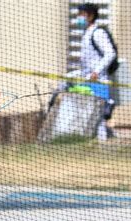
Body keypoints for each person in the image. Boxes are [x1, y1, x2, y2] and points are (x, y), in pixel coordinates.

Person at [49, 3, 117, 141]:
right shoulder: (86, 33)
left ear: (91, 15)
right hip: (87, 80)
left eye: (82, 14)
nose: (79, 17)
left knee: (99, 117)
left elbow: (110, 54)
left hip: (99, 81)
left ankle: (101, 143)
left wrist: (96, 72)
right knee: (88, 115)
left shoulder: (98, 33)